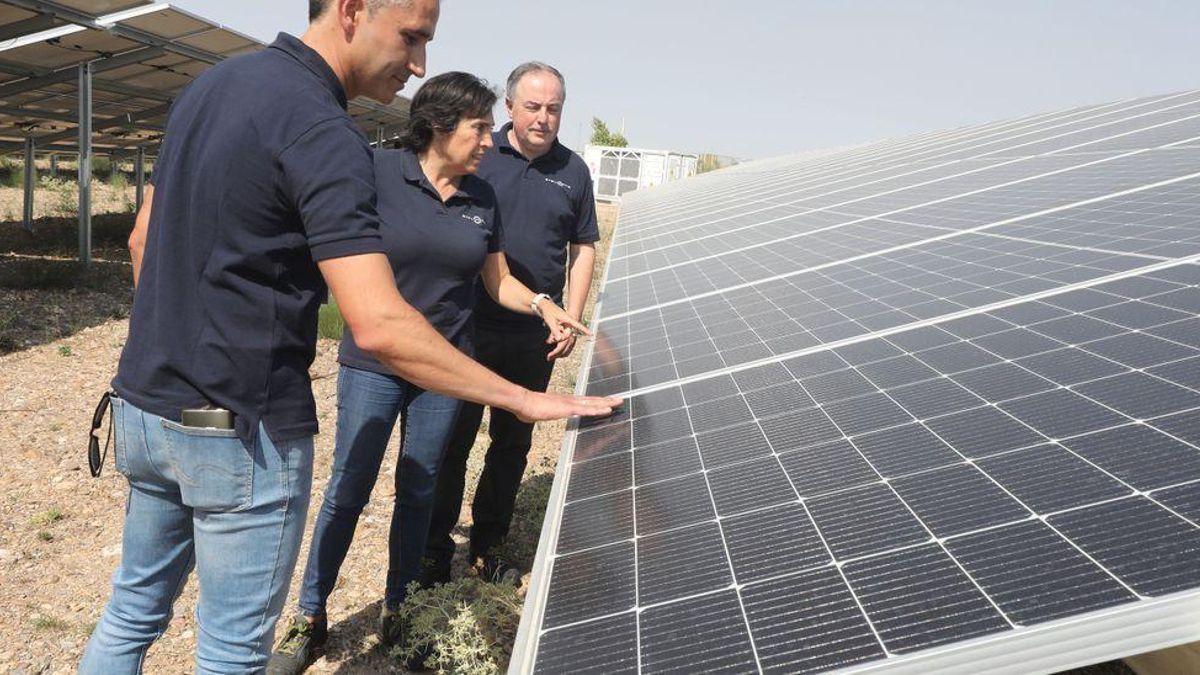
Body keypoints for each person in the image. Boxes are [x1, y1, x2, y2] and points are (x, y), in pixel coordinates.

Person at [79, 2, 619, 672]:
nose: (419, 63)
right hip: (241, 427)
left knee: (130, 614)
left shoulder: (212, 86)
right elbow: (378, 323)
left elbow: (141, 240)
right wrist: (521, 397)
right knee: (232, 650)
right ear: (353, 10)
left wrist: (184, 346)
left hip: (143, 406)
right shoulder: (324, 130)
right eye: (413, 37)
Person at [267, 71, 584, 674]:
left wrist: (545, 304)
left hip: (445, 364)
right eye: (480, 128)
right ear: (440, 126)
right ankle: (308, 617)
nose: (491, 140)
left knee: (420, 488)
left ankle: (401, 610)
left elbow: (497, 281)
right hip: (376, 362)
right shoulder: (380, 172)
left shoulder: (480, 196)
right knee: (348, 487)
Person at [425, 62, 600, 584]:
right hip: (471, 327)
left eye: (554, 109)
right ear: (509, 108)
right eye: (533, 106)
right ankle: (434, 549)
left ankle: (488, 546)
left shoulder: (574, 171)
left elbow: (583, 246)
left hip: (533, 337)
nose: (544, 118)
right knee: (453, 440)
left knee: (512, 443)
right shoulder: (480, 157)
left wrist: (569, 314)